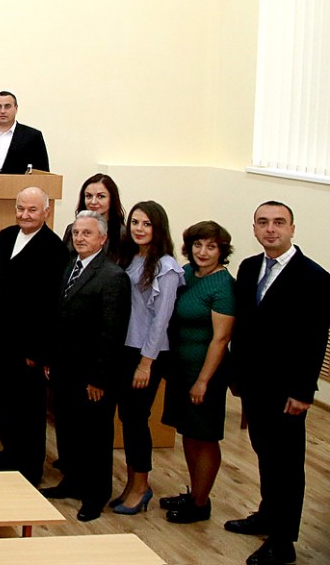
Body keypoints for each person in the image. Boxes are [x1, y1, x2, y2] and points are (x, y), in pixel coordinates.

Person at [226, 202, 330, 565]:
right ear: (254, 228)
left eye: (279, 223)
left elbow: (315, 339)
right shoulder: (249, 267)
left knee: (286, 464)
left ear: (292, 229)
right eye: (263, 222)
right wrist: (237, 375)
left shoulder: (314, 277)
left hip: (288, 391)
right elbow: (244, 326)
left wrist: (303, 391)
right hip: (254, 385)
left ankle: (283, 541)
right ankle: (267, 515)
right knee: (264, 452)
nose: (271, 229)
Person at [40, 211, 132, 522]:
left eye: (87, 233)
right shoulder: (70, 267)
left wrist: (99, 379)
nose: (80, 238)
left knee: (94, 437)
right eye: (77, 232)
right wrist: (51, 360)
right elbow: (59, 319)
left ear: (102, 239)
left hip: (93, 376)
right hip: (64, 369)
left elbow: (111, 333)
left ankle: (96, 494)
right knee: (68, 431)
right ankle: (73, 481)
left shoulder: (113, 276)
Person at [0, 186, 67, 485]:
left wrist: (38, 352)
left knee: (29, 411)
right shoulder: (6, 236)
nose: (25, 215)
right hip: (1, 340)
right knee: (4, 405)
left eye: (32, 210)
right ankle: (9, 457)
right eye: (21, 208)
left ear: (46, 212)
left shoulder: (54, 249)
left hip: (29, 347)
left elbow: (51, 306)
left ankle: (30, 469)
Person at [159, 220, 235, 524]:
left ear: (222, 251)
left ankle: (201, 503)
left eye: (211, 247)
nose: (203, 252)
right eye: (197, 245)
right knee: (189, 434)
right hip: (181, 368)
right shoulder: (188, 273)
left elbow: (221, 338)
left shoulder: (223, 285)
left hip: (205, 373)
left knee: (204, 437)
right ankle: (194, 493)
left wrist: (203, 381)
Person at [112, 201, 183, 514]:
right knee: (128, 418)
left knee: (137, 419)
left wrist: (145, 363)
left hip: (147, 354)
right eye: (135, 222)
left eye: (147, 224)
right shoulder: (129, 258)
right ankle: (131, 483)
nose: (139, 229)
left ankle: (141, 486)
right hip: (124, 348)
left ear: (159, 228)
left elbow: (161, 320)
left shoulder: (166, 267)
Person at [0, 91, 50, 174]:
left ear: (16, 109)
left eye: (7, 106)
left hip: (21, 182)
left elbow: (43, 174)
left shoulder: (33, 137)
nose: (2, 111)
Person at [63, 173, 125, 259]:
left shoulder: (122, 234)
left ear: (112, 199)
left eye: (101, 196)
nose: (93, 201)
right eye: (89, 196)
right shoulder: (71, 229)